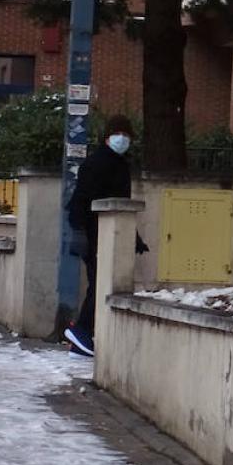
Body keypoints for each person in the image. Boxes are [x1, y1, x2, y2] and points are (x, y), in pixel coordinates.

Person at [63, 115, 146, 357]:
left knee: (100, 283)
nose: (122, 139)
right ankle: (81, 329)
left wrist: (133, 236)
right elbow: (80, 199)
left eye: (126, 135)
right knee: (99, 283)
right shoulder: (96, 163)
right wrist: (79, 231)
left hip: (107, 233)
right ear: (107, 137)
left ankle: (81, 341)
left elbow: (121, 204)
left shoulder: (120, 165)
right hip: (93, 232)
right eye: (117, 134)